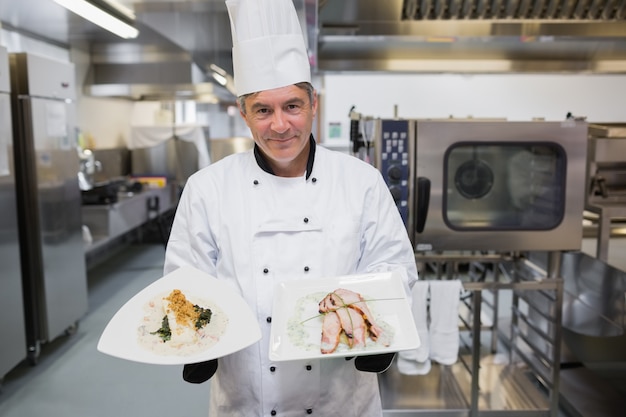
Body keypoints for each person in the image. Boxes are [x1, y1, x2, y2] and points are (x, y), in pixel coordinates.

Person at [163, 0, 418, 415]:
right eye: (263, 109)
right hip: (247, 399)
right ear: (245, 114)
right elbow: (185, 279)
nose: (279, 125)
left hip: (342, 396)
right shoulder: (207, 188)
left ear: (313, 106)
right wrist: (194, 339)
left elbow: (392, 266)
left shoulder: (360, 182)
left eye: (292, 106)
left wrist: (377, 329)